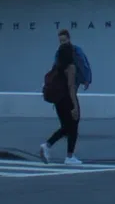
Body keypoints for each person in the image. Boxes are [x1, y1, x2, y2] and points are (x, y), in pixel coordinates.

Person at [39, 30, 81, 165]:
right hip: (67, 99)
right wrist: (75, 106)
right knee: (73, 126)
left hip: (57, 100)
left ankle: (48, 146)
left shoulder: (57, 66)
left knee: (66, 127)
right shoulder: (71, 67)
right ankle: (68, 156)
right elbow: (71, 87)